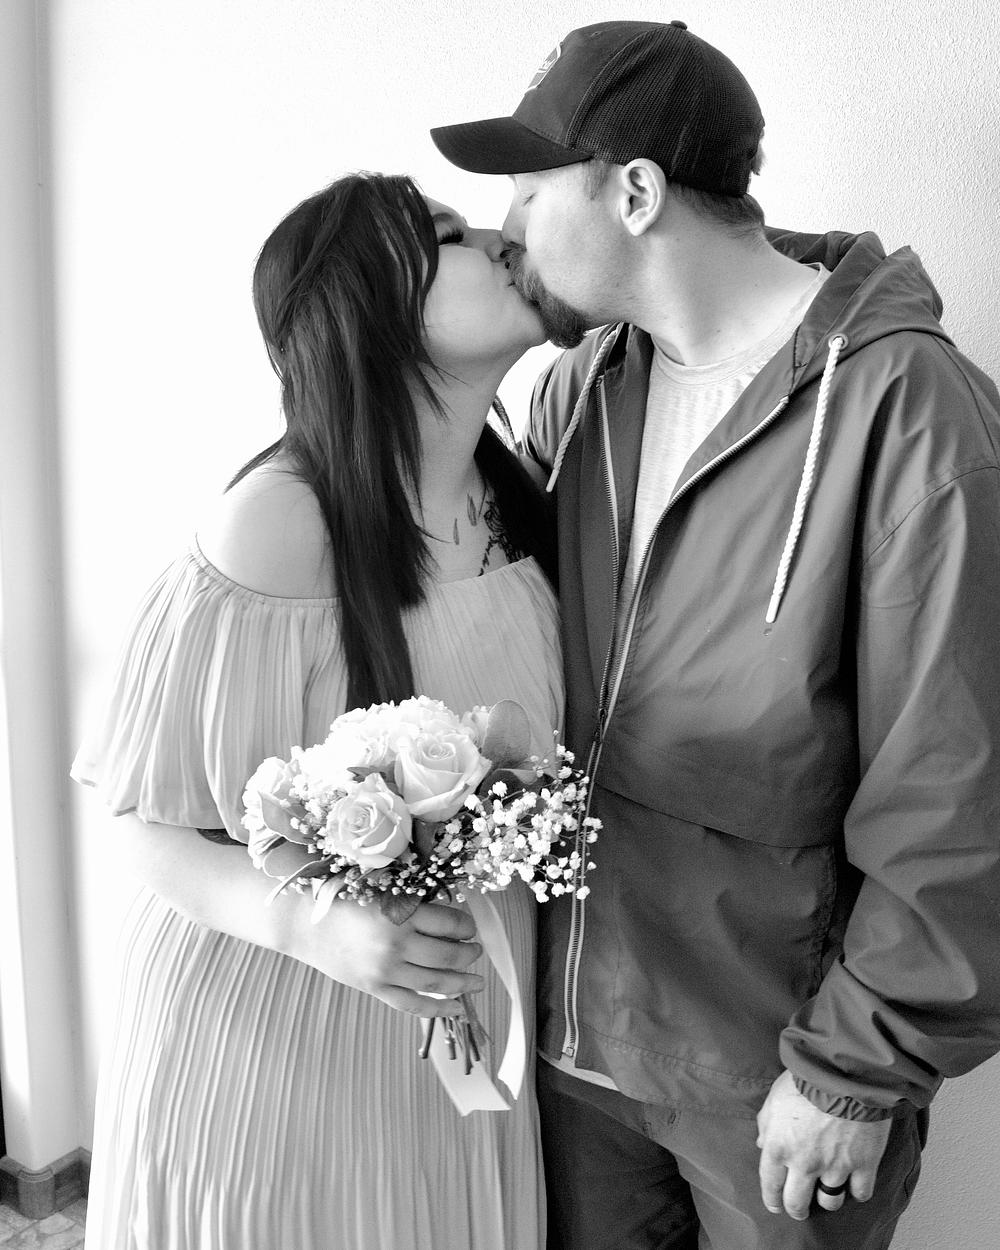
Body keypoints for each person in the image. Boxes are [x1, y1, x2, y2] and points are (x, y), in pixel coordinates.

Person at [431, 18, 1000, 1250]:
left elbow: (957, 775)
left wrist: (857, 1067)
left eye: (529, 187)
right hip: (574, 1042)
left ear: (634, 192)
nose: (507, 225)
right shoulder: (583, 388)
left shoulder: (908, 411)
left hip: (773, 1068)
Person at [71, 171, 563, 1249]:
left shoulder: (521, 503)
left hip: (454, 1027)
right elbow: (136, 816)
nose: (500, 235)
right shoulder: (275, 524)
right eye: (448, 234)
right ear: (366, 303)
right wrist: (317, 927)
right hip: (271, 1035)